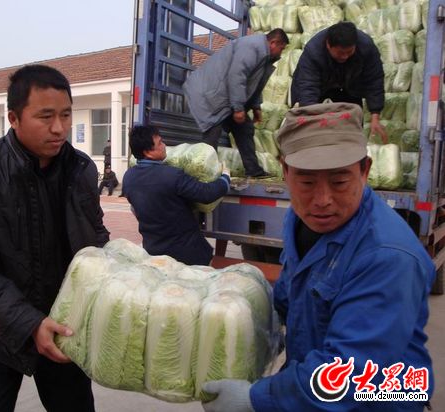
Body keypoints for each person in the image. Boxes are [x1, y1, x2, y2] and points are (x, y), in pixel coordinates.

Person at [201, 103, 434, 412]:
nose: (322, 200)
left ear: (364, 170)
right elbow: (293, 292)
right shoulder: (300, 219)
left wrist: (256, 398)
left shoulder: (387, 256)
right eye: (307, 182)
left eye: (339, 182)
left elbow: (349, 374)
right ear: (285, 172)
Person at [0, 64, 109, 412]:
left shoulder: (80, 169)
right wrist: (29, 323)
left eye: (66, 115)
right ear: (14, 118)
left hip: (64, 329)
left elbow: (95, 239)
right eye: (45, 116)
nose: (59, 128)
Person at [183, 29, 289, 177]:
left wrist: (256, 106)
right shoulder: (251, 48)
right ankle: (205, 172)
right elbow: (237, 77)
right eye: (281, 48)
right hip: (208, 94)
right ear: (273, 43)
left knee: (245, 128)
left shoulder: (261, 53)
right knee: (212, 132)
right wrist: (238, 108)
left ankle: (254, 170)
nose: (281, 53)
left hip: (225, 95)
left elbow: (254, 82)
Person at [122, 125, 230, 266]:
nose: (164, 146)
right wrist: (225, 178)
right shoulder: (172, 175)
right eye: (160, 143)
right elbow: (207, 194)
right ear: (148, 152)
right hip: (187, 256)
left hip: (154, 253)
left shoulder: (129, 177)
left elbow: (135, 209)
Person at [290, 21, 389, 143]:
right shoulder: (314, 51)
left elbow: (374, 80)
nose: (345, 56)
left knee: (351, 126)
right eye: (340, 53)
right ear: (328, 45)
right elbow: (308, 86)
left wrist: (375, 116)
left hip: (350, 86)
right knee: (315, 130)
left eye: (349, 52)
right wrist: (311, 120)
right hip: (321, 86)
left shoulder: (366, 46)